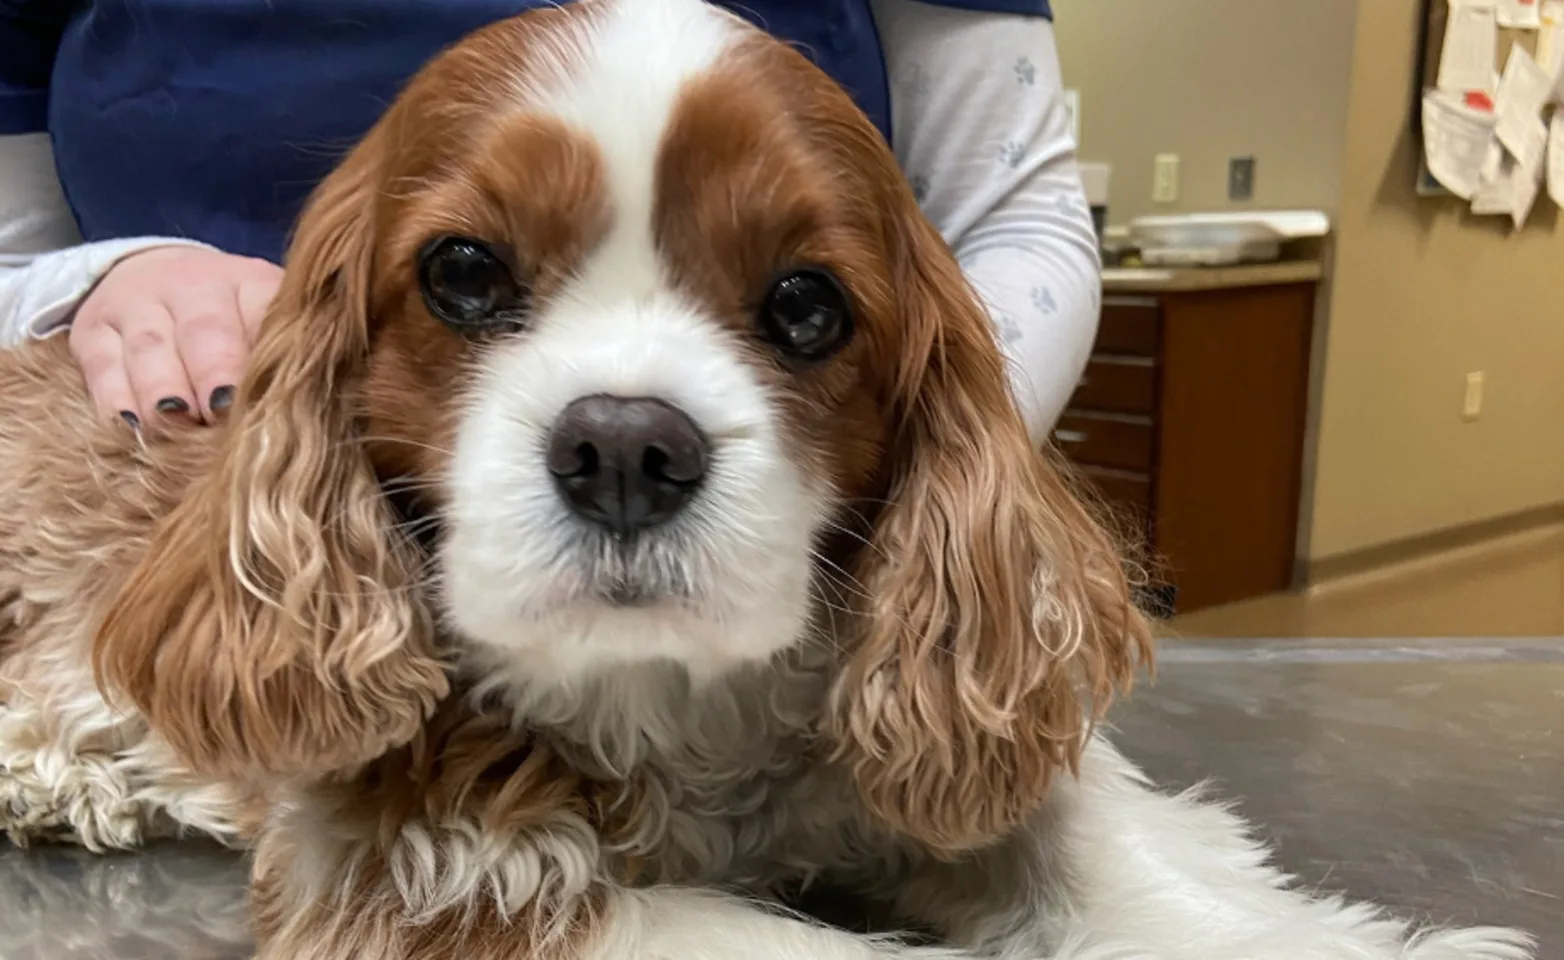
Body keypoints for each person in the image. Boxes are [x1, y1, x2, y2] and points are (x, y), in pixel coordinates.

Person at [0, 0, 1098, 444]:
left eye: (798, 308)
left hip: (797, 583)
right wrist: (100, 279)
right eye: (466, 279)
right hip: (180, 540)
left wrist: (932, 503)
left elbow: (1018, 222)